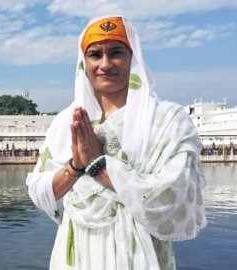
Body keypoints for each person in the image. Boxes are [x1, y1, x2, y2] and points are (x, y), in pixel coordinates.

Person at [26, 15, 206, 270]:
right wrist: (76, 166)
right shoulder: (66, 122)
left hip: (138, 257)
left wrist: (99, 166)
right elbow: (40, 192)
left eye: (116, 52)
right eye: (95, 54)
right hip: (78, 255)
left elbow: (175, 195)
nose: (105, 64)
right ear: (83, 63)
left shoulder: (166, 120)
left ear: (133, 58)